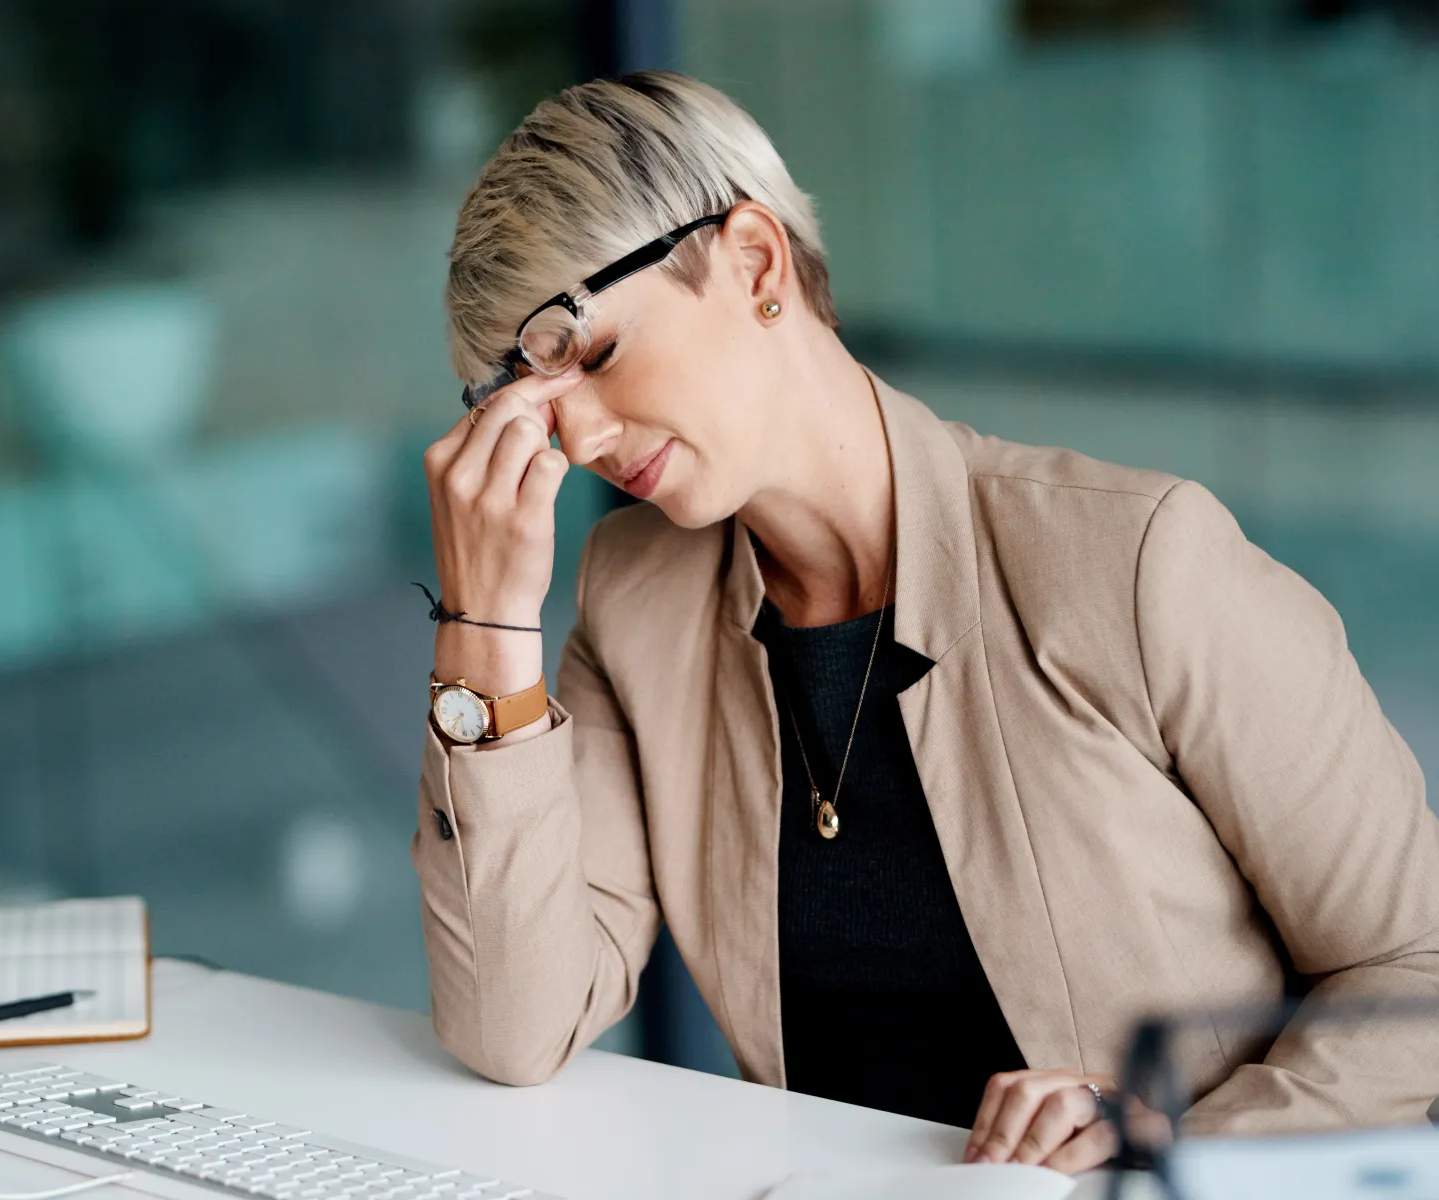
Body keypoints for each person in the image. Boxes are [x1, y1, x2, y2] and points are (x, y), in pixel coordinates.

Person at [413, 71, 1439, 1174]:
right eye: (528, 393)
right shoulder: (636, 600)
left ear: (754, 263)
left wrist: (1174, 1147)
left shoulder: (1136, 562)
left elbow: (1415, 966)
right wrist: (485, 623)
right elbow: (514, 1029)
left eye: (594, 353)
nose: (572, 437)